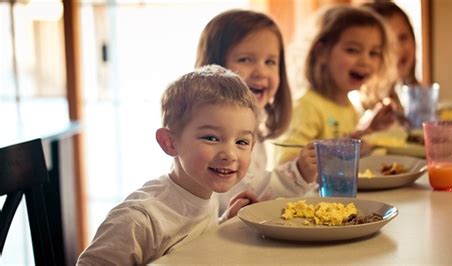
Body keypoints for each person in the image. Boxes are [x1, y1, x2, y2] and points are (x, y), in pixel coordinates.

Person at [76, 65, 260, 264]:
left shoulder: (205, 194)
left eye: (241, 142)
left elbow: (189, 246)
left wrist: (223, 222)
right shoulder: (139, 220)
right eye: (211, 138)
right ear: (169, 142)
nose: (230, 154)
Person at [195, 9, 317, 215]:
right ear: (214, 67)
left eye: (270, 62)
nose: (261, 71)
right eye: (245, 59)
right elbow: (242, 192)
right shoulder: (212, 131)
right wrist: (298, 174)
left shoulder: (254, 127)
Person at [275, 4, 398, 165]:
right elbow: (285, 165)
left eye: (374, 53)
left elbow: (345, 155)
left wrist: (369, 130)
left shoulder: (349, 107)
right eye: (352, 50)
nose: (365, 61)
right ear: (322, 53)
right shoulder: (307, 108)